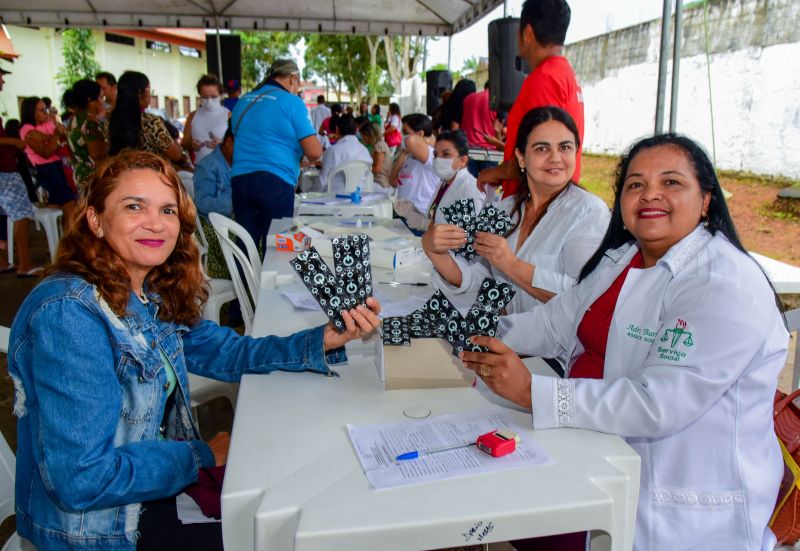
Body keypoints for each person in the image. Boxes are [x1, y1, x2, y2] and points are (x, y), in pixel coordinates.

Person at [8, 150, 381, 551]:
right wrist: (198, 456)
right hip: (101, 532)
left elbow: (229, 353)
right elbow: (82, 479)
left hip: (148, 499)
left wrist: (320, 340)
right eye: (135, 207)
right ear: (95, 220)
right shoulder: (70, 315)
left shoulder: (147, 292)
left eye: (168, 210)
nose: (156, 223)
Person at [462, 133, 786, 551]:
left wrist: (533, 393)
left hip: (684, 511)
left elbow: (657, 404)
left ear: (706, 199)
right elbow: (554, 323)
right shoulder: (621, 259)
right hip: (599, 459)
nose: (650, 194)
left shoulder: (722, 283)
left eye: (671, 182)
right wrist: (472, 338)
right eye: (635, 184)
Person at [424, 107, 608, 322]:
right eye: (542, 148)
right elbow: (482, 278)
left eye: (565, 147)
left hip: (556, 353)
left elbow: (584, 295)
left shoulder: (589, 213)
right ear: (521, 158)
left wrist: (511, 265)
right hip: (507, 338)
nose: (555, 158)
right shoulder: (505, 207)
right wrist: (436, 253)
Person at [477, 0, 584, 200]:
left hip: (537, 204)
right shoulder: (564, 72)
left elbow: (542, 158)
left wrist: (492, 173)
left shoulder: (544, 79)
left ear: (527, 33)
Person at [230, 59, 322, 251]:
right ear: (292, 79)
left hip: (240, 181)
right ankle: (271, 282)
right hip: (275, 182)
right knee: (276, 247)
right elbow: (314, 152)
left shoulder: (243, 101)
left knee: (246, 245)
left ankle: (246, 282)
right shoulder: (291, 102)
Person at [0, 68, 42, 277]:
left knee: (5, 216)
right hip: (5, 172)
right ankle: (25, 264)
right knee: (21, 214)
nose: (3, 82)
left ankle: (3, 262)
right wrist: (11, 141)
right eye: (0, 76)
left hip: (5, 170)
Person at [19, 96, 78, 223]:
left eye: (47, 109)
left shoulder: (48, 125)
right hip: (46, 170)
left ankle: (53, 204)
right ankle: (70, 241)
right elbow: (46, 152)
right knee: (70, 205)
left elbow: (62, 139)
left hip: (60, 166)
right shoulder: (26, 129)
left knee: (72, 202)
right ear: (31, 112)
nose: (47, 113)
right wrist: (55, 135)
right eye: (43, 110)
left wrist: (49, 138)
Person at [108, 71, 183, 163]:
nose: (150, 94)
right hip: (151, 175)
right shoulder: (151, 122)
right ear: (140, 93)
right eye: (148, 89)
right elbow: (176, 155)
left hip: (122, 174)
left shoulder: (109, 121)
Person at [193, 125, 234, 280]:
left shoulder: (238, 164)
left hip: (230, 225)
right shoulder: (208, 166)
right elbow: (203, 203)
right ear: (230, 142)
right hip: (215, 229)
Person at [424, 130, 485, 225]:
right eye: (436, 154)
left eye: (446, 154)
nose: (438, 159)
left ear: (463, 160)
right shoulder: (444, 183)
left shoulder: (469, 188)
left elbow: (466, 235)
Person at [390, 113, 440, 229]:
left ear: (420, 134)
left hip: (420, 217)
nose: (403, 136)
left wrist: (426, 140)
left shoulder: (430, 154)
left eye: (406, 132)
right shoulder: (408, 155)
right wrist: (402, 154)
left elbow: (411, 141)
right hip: (402, 215)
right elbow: (392, 181)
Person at [66, 78, 108, 196]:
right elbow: (97, 155)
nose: (102, 102)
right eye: (100, 97)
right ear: (90, 100)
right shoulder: (89, 123)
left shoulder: (74, 120)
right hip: (94, 177)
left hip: (81, 175)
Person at [318, 114, 373, 196]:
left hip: (334, 201)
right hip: (360, 199)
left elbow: (322, 182)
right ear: (356, 131)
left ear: (337, 130)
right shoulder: (365, 151)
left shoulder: (333, 151)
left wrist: (306, 193)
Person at [181, 74, 231, 164]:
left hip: (223, 168)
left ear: (220, 95)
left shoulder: (228, 116)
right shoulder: (193, 116)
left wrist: (221, 145)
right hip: (200, 168)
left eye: (213, 97)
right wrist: (192, 145)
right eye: (204, 97)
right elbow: (184, 143)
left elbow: (238, 145)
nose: (209, 101)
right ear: (199, 95)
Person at [461, 80, 500, 177]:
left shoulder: (468, 98)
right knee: (488, 188)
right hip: (489, 151)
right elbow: (500, 127)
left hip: (469, 149)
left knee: (470, 187)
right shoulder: (496, 99)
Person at [358, 123, 392, 190]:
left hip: (380, 183)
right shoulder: (378, 145)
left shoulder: (379, 146)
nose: (362, 138)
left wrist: (362, 168)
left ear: (369, 135)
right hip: (379, 181)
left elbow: (377, 169)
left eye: (363, 136)